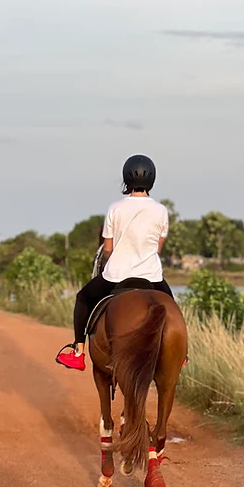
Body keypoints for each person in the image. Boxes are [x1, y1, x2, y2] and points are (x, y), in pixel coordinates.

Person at [56, 154, 174, 371]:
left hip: (117, 275)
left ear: (126, 179)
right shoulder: (161, 211)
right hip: (152, 276)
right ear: (152, 180)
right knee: (172, 306)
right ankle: (179, 354)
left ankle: (78, 352)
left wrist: (113, 258)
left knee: (83, 299)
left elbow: (108, 249)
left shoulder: (115, 208)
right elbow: (157, 248)